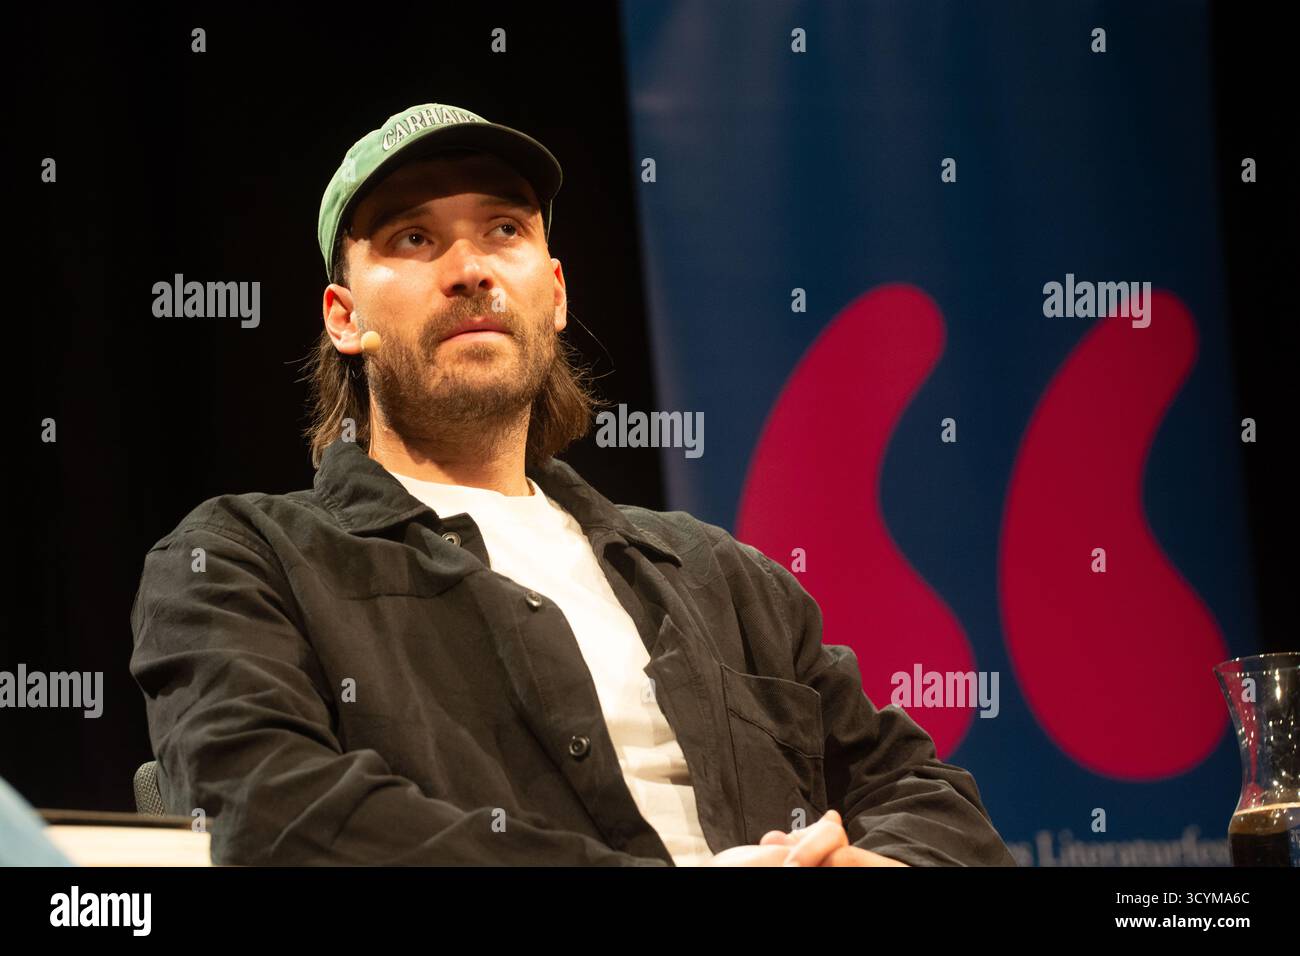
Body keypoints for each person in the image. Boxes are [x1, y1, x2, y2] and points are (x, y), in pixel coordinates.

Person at [129, 102, 1017, 867]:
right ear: (344, 317)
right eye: (413, 237)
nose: (471, 268)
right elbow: (273, 815)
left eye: (505, 231)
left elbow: (929, 797)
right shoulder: (242, 560)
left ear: (553, 292)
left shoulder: (720, 576)